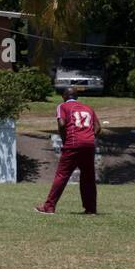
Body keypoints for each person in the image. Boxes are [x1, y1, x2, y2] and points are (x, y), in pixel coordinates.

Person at [37, 87, 98, 215]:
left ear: (64, 96)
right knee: (88, 177)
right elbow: (98, 127)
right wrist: (88, 138)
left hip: (73, 143)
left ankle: (49, 207)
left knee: (62, 174)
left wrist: (65, 139)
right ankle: (90, 208)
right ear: (76, 97)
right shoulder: (88, 108)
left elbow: (62, 124)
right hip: (89, 144)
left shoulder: (62, 106)